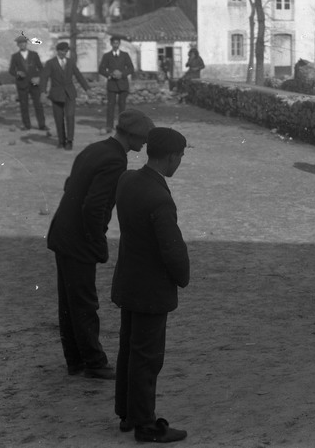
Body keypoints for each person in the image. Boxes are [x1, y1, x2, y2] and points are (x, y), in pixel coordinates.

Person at [46, 109, 155, 380]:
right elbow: (94, 206)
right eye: (142, 138)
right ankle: (94, 362)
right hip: (79, 239)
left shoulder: (95, 149)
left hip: (63, 233)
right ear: (131, 135)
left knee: (69, 302)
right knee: (84, 303)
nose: (144, 143)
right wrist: (97, 240)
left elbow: (70, 184)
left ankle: (76, 361)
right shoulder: (116, 160)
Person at [113, 127, 190, 442]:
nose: (179, 162)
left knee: (129, 349)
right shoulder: (160, 198)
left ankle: (127, 413)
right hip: (151, 288)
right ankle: (145, 424)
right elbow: (172, 249)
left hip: (129, 281)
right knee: (147, 357)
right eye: (180, 157)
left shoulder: (127, 180)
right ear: (171, 157)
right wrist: (182, 277)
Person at [41, 41, 91, 150]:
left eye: (66, 51)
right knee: (58, 118)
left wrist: (87, 88)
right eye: (62, 51)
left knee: (70, 116)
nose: (64, 53)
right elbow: (44, 78)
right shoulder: (50, 63)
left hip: (69, 94)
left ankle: (69, 141)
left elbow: (78, 75)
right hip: (56, 94)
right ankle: (61, 140)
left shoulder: (71, 62)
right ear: (58, 51)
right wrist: (43, 92)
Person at [9, 34, 48, 132]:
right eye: (20, 43)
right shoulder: (15, 56)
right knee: (24, 105)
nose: (22, 45)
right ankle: (27, 125)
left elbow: (41, 69)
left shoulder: (34, 55)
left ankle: (42, 125)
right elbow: (11, 70)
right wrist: (17, 73)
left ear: (27, 44)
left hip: (34, 83)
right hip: (22, 84)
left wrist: (38, 77)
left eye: (24, 43)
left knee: (38, 105)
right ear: (17, 45)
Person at [99, 35, 136, 134]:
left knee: (122, 105)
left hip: (123, 83)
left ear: (119, 44)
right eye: (114, 43)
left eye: (117, 43)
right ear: (111, 44)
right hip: (112, 84)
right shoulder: (106, 56)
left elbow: (131, 68)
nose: (115, 45)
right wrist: (110, 75)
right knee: (110, 105)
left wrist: (122, 74)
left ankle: (122, 126)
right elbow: (101, 69)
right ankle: (109, 126)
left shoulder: (125, 55)